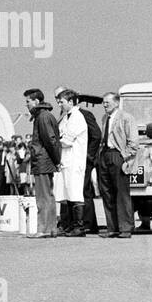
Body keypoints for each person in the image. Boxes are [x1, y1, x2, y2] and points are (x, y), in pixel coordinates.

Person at [97, 92, 138, 238]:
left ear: (116, 103)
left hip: (118, 155)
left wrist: (125, 157)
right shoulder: (104, 118)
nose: (104, 105)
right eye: (103, 102)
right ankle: (112, 228)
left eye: (107, 102)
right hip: (105, 155)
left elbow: (133, 141)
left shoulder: (126, 118)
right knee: (107, 193)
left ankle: (125, 228)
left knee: (121, 193)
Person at [24, 89, 61, 238]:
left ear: (36, 101)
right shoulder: (45, 116)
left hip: (42, 161)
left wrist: (56, 159)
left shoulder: (42, 117)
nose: (26, 105)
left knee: (42, 197)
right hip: (46, 160)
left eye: (28, 101)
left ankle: (43, 229)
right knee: (49, 195)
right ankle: (51, 228)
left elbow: (50, 140)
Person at [53, 89, 89, 237]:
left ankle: (79, 227)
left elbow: (66, 140)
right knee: (66, 193)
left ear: (71, 102)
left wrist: (55, 142)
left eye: (62, 102)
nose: (59, 104)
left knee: (75, 193)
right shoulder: (66, 117)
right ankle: (70, 225)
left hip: (75, 161)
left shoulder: (77, 117)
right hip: (66, 161)